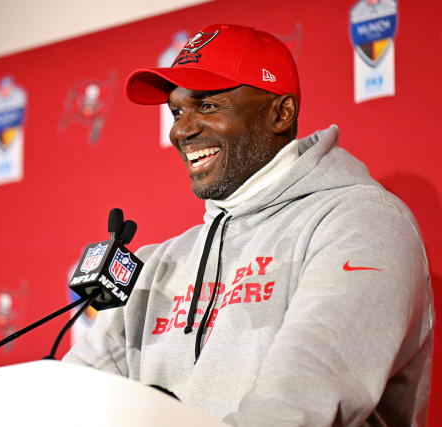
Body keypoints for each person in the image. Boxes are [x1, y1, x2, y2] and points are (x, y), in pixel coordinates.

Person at [63, 24, 434, 426]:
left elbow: (297, 405)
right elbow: (71, 401)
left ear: (281, 113)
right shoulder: (156, 265)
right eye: (176, 111)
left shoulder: (361, 224)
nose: (180, 130)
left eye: (206, 106)